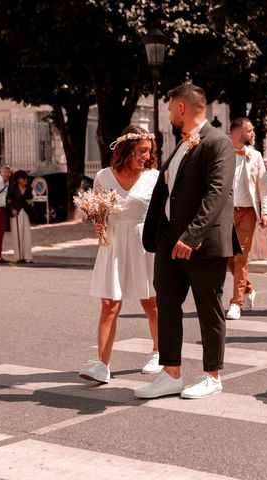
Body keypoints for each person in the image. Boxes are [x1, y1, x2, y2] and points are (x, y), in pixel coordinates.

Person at [136, 84, 239, 399]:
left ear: (181, 108)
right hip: (169, 239)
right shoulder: (180, 145)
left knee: (209, 309)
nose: (168, 114)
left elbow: (217, 192)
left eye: (169, 109)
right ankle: (171, 373)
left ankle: (212, 375)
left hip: (203, 242)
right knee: (167, 304)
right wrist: (161, 234)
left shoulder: (218, 142)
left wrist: (191, 235)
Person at [79, 125, 160, 384]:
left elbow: (163, 214)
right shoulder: (103, 176)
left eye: (150, 151)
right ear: (127, 150)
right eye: (142, 151)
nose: (147, 156)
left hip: (143, 242)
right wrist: (97, 223)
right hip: (113, 243)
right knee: (109, 304)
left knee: (150, 303)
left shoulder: (155, 177)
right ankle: (102, 365)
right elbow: (98, 210)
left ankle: (158, 352)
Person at [226, 117, 267, 320]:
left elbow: (263, 186)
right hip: (225, 212)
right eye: (250, 130)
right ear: (238, 134)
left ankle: (236, 303)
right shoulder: (222, 153)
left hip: (247, 213)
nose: (253, 133)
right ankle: (248, 288)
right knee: (227, 258)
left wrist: (266, 211)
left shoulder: (256, 156)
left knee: (240, 257)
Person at [6, 170, 35, 263]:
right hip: (16, 213)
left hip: (26, 212)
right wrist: (12, 210)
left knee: (27, 234)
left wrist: (31, 201)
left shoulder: (29, 188)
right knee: (16, 234)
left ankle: (27, 257)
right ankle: (18, 257)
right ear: (19, 179)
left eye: (26, 178)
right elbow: (8, 200)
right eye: (24, 178)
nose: (26, 180)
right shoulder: (12, 188)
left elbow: (31, 199)